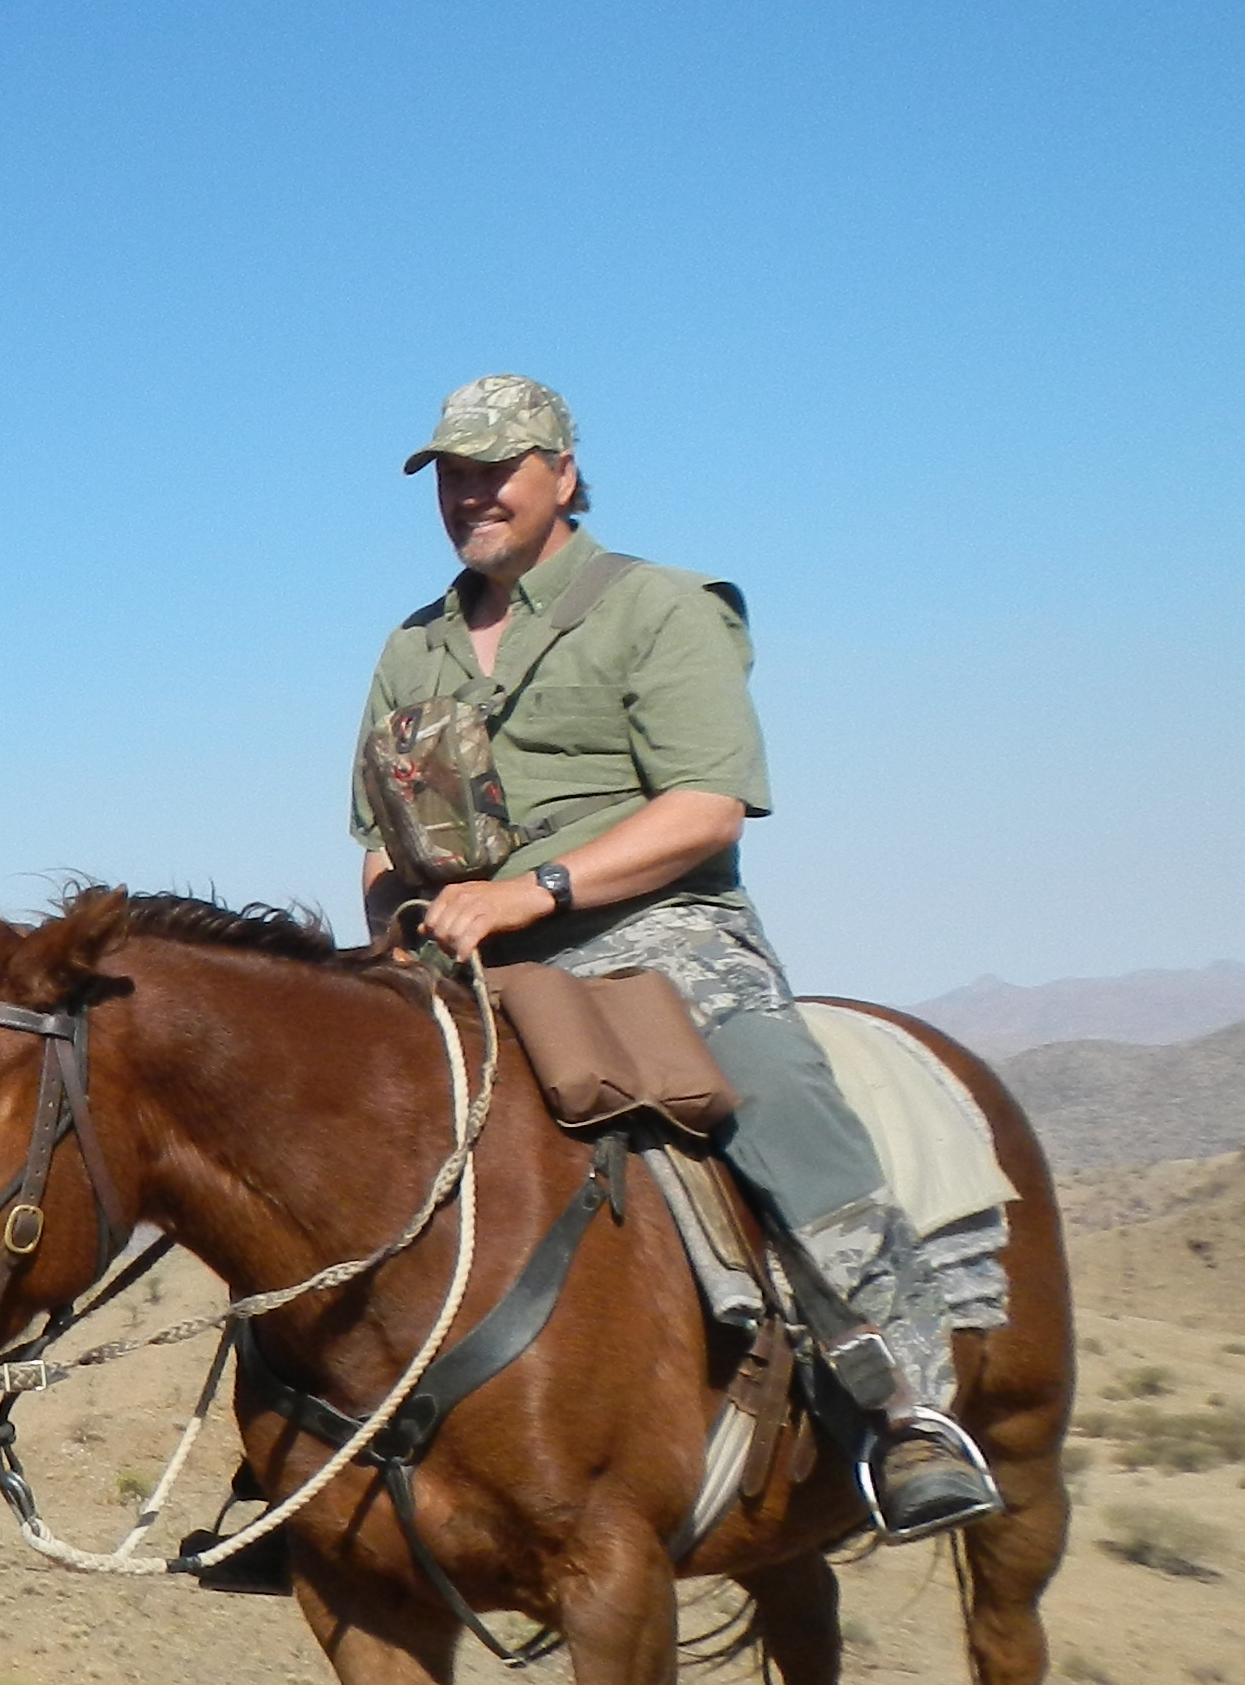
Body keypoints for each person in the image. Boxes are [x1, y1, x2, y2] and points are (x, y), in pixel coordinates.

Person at [350, 376, 997, 1534]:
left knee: (778, 1090)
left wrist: (531, 891)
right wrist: (396, 935)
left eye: (497, 469)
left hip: (651, 931)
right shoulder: (413, 650)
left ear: (564, 473)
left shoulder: (662, 608)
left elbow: (705, 810)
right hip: (460, 952)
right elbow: (379, 843)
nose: (471, 493)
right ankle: (301, 1452)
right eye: (453, 472)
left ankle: (903, 1407)